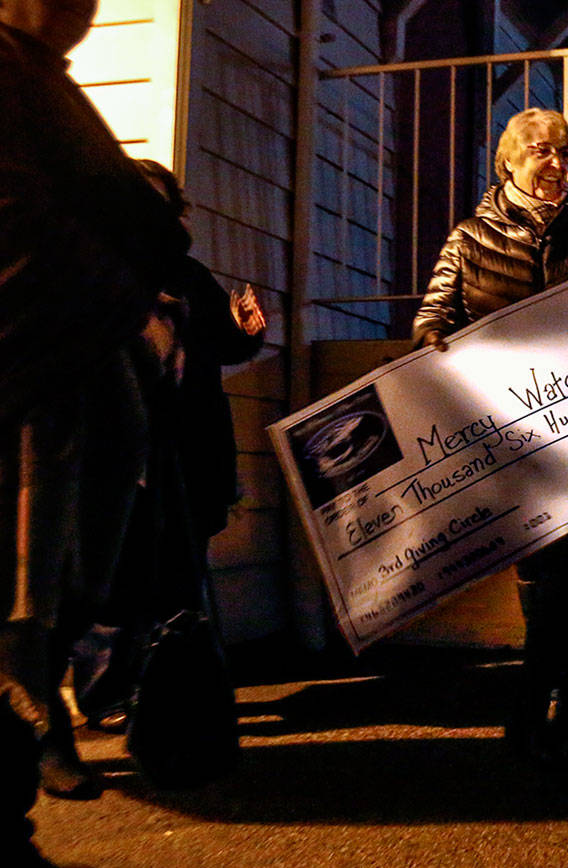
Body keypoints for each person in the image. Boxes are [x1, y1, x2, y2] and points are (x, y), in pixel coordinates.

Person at [0, 0, 190, 862]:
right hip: (32, 356)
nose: (82, 9)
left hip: (82, 344)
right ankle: (34, 720)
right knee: (28, 561)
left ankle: (43, 692)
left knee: (88, 537)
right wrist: (118, 285)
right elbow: (24, 221)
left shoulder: (44, 78)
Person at [412, 108, 568, 760]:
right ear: (510, 161)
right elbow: (437, 307)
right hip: (507, 427)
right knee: (538, 561)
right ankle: (563, 685)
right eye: (543, 153)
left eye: (565, 153)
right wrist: (432, 341)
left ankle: (530, 698)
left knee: (566, 561)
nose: (558, 165)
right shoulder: (470, 238)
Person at [69, 160, 266, 742]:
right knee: (114, 578)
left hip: (189, 448)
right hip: (115, 453)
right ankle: (104, 695)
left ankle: (167, 695)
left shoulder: (187, 275)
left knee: (180, 579)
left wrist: (245, 331)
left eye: (161, 203)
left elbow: (221, 348)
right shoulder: (89, 271)